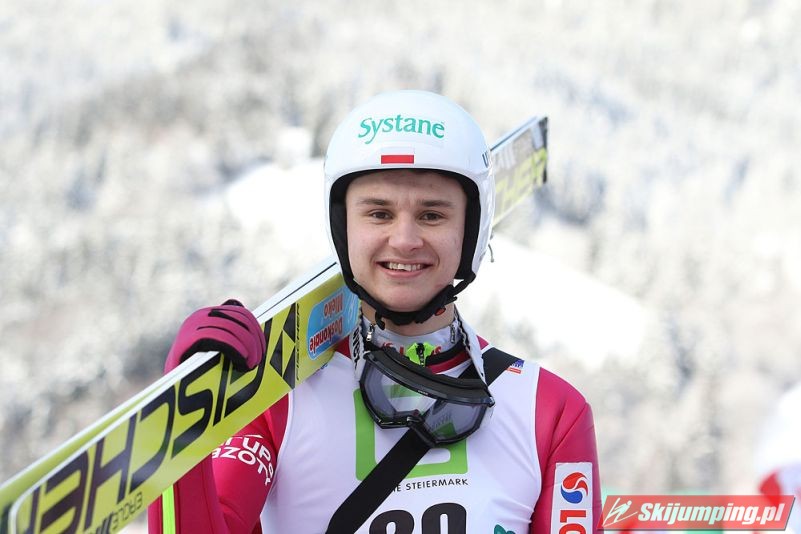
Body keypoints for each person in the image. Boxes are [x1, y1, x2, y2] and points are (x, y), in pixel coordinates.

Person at [148, 90, 601, 533]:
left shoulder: (549, 412)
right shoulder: (279, 400)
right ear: (343, 228)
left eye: (432, 215)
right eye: (379, 214)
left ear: (471, 230)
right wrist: (181, 417)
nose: (404, 240)